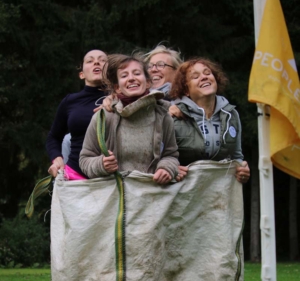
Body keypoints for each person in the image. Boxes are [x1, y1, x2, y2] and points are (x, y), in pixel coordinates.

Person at [79, 54, 179, 184]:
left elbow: (171, 155)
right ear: (117, 87)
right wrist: (101, 165)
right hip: (115, 198)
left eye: (137, 73)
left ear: (148, 82)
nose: (131, 78)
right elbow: (85, 160)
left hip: (153, 196)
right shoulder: (104, 117)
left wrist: (166, 169)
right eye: (124, 76)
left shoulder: (163, 116)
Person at [169, 58, 250, 183]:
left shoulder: (231, 114)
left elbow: (236, 156)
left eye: (207, 73)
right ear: (186, 90)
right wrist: (171, 168)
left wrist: (242, 170)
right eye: (195, 76)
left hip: (218, 192)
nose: (204, 77)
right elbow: (163, 156)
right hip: (182, 191)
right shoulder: (173, 116)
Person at [46, 49, 108, 180]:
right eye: (90, 61)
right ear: (81, 74)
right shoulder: (70, 101)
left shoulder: (122, 98)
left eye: (102, 60)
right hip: (76, 176)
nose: (96, 62)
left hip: (113, 177)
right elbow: (53, 137)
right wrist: (57, 158)